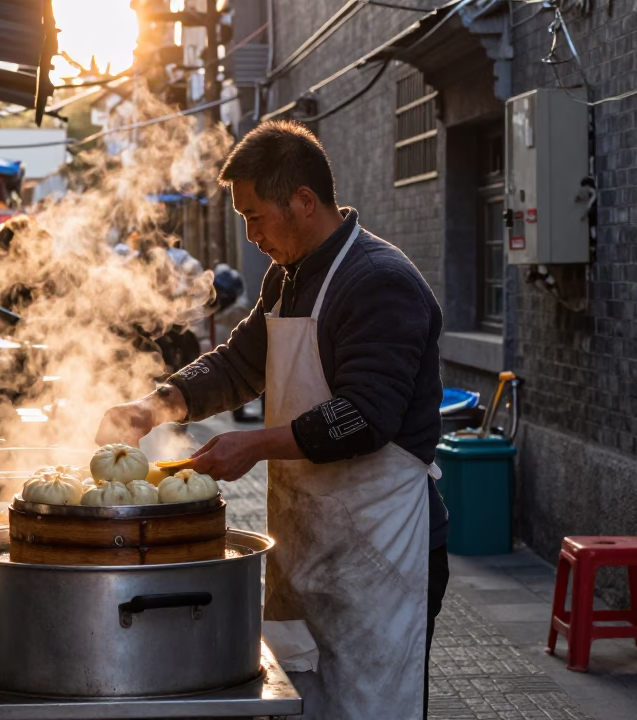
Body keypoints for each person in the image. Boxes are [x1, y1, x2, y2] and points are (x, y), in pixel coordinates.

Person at [96, 120, 450, 720]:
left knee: (370, 704)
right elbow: (240, 363)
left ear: (304, 202)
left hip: (382, 547)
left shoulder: (379, 282)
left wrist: (254, 446)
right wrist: (154, 406)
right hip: (307, 538)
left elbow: (366, 416)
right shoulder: (288, 275)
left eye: (255, 216)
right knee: (302, 694)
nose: (251, 233)